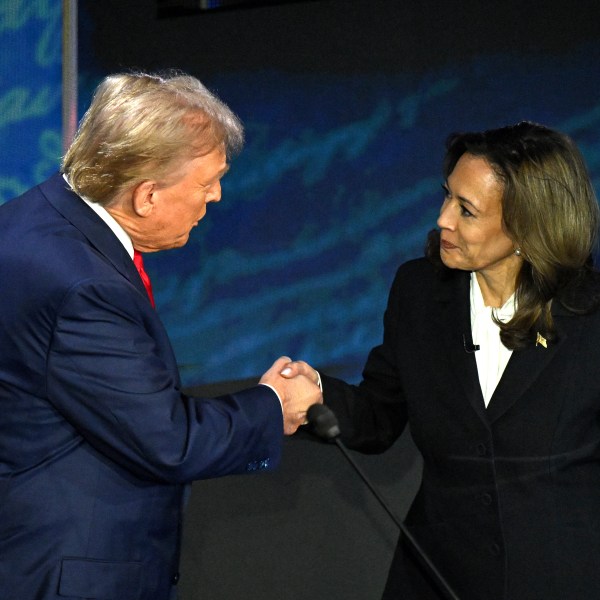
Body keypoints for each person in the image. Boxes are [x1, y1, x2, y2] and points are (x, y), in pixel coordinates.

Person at [0, 71, 321, 600]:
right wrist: (273, 404)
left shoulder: (35, 216)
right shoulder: (85, 287)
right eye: (206, 182)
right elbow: (168, 440)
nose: (216, 196)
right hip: (71, 572)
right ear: (146, 194)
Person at [283, 121, 600, 599]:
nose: (443, 219)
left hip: (563, 576)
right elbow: (378, 416)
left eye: (466, 210)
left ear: (526, 226)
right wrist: (316, 396)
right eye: (447, 197)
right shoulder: (419, 291)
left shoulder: (591, 314)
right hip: (439, 575)